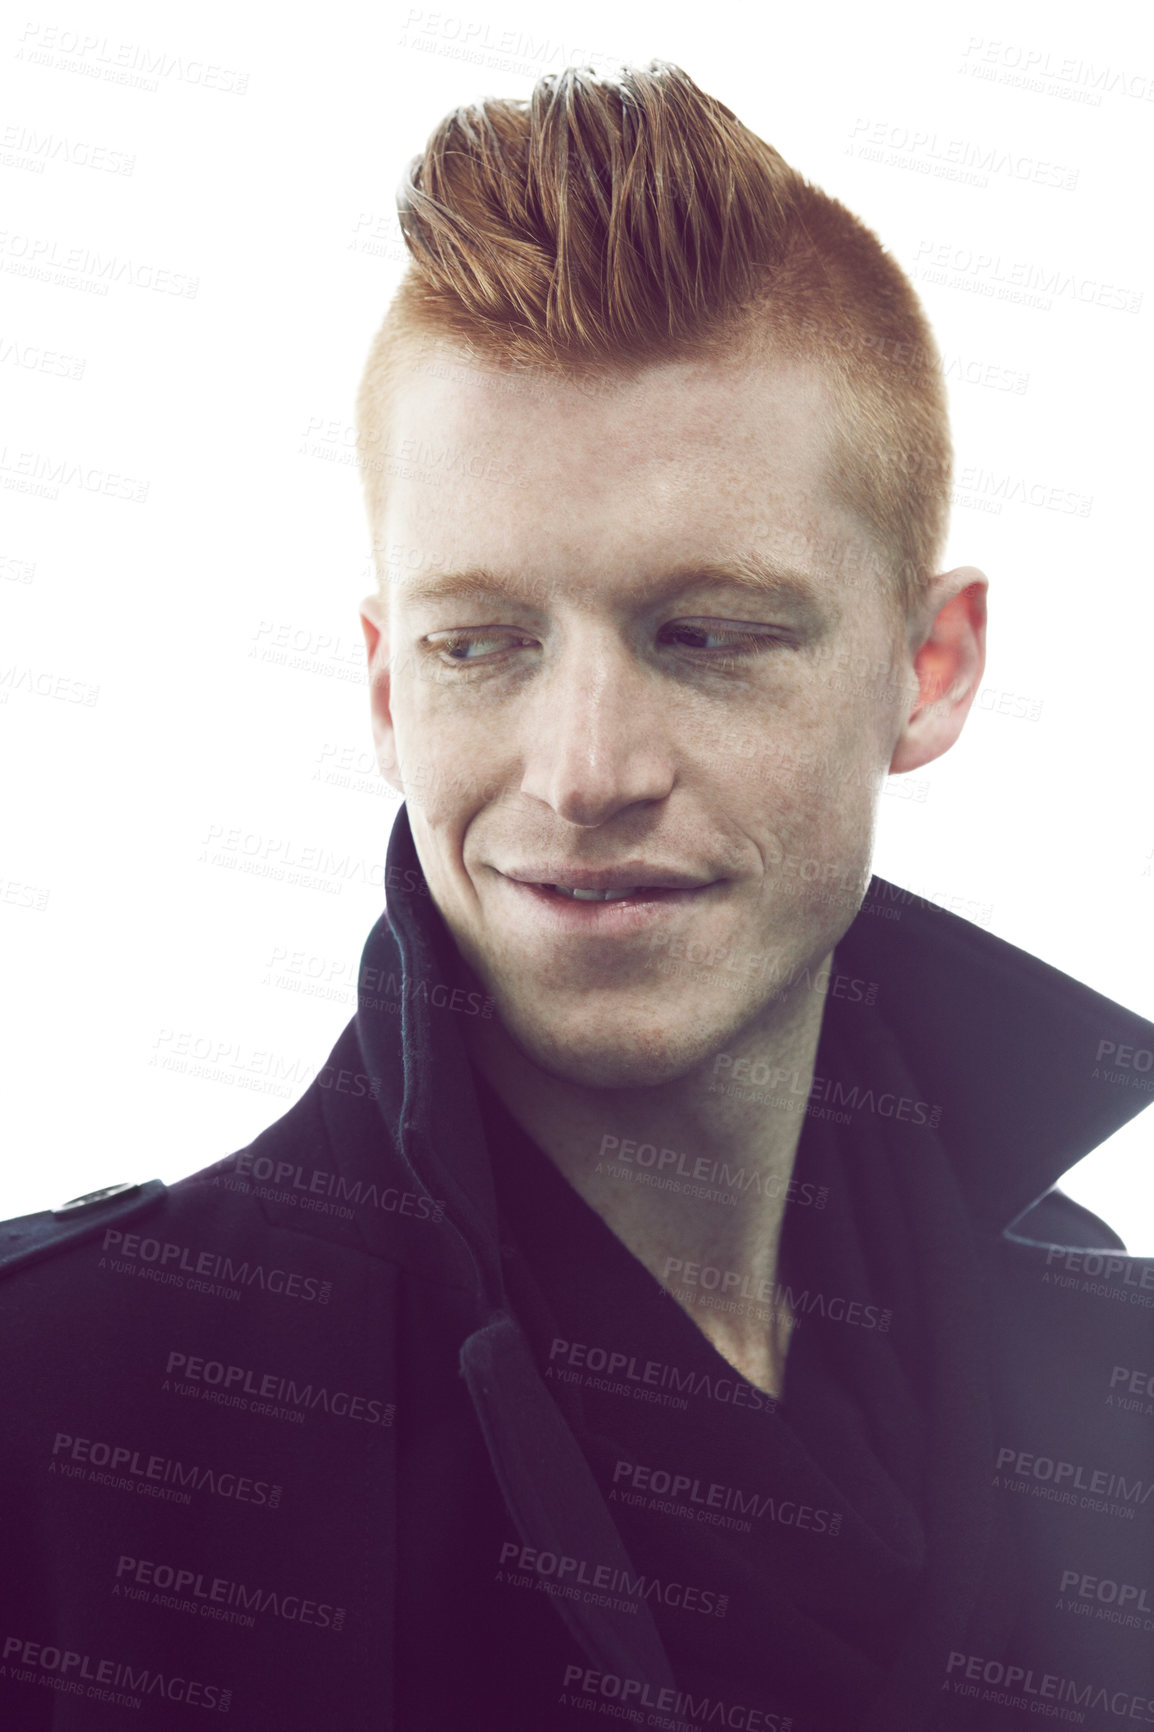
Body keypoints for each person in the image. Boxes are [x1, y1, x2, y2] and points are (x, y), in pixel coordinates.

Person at [1, 60, 1151, 1732]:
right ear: (391, 688)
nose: (583, 769)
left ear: (929, 666)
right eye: (485, 645)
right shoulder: (57, 1413)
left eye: (710, 634)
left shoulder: (1116, 1389)